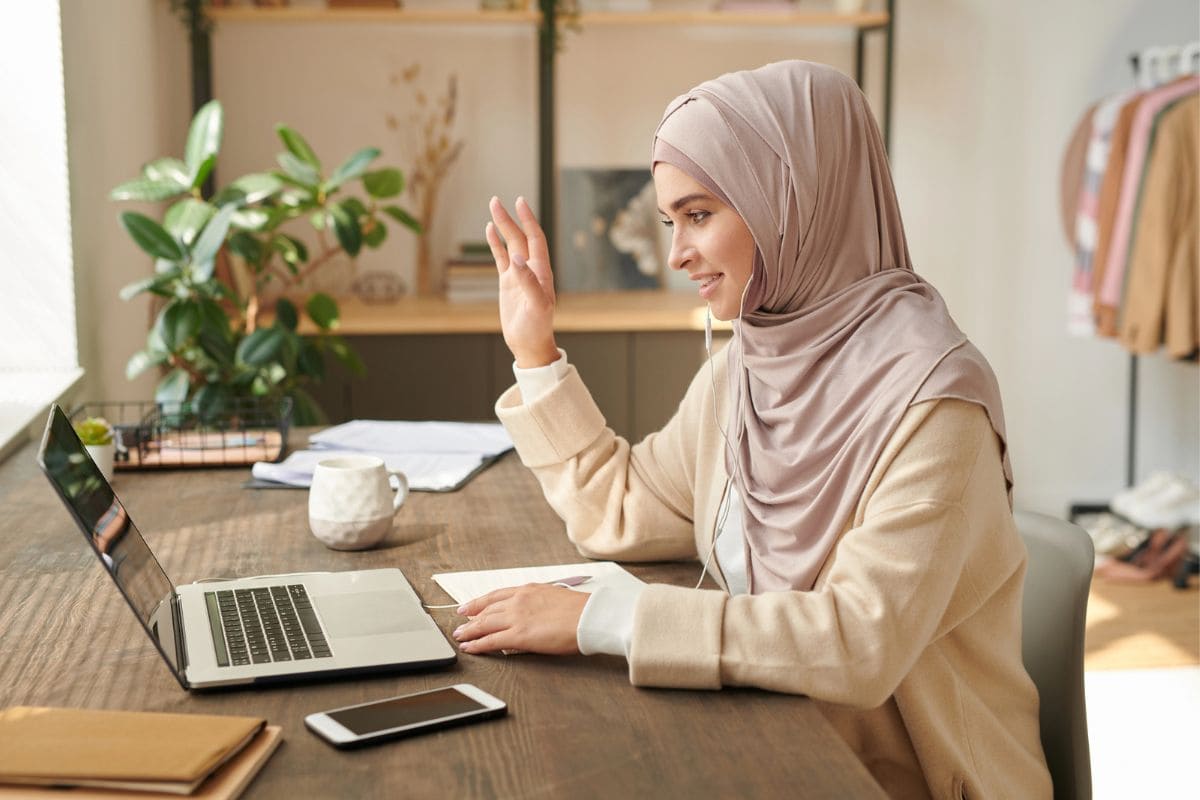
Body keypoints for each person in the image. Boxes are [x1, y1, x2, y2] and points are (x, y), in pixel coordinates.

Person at [454, 61, 1052, 799]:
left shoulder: (936, 406)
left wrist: (604, 619)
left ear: (793, 201)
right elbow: (622, 511)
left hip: (900, 780)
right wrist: (535, 351)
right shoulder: (748, 369)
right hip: (767, 738)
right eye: (671, 222)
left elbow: (856, 644)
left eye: (699, 216)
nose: (676, 255)